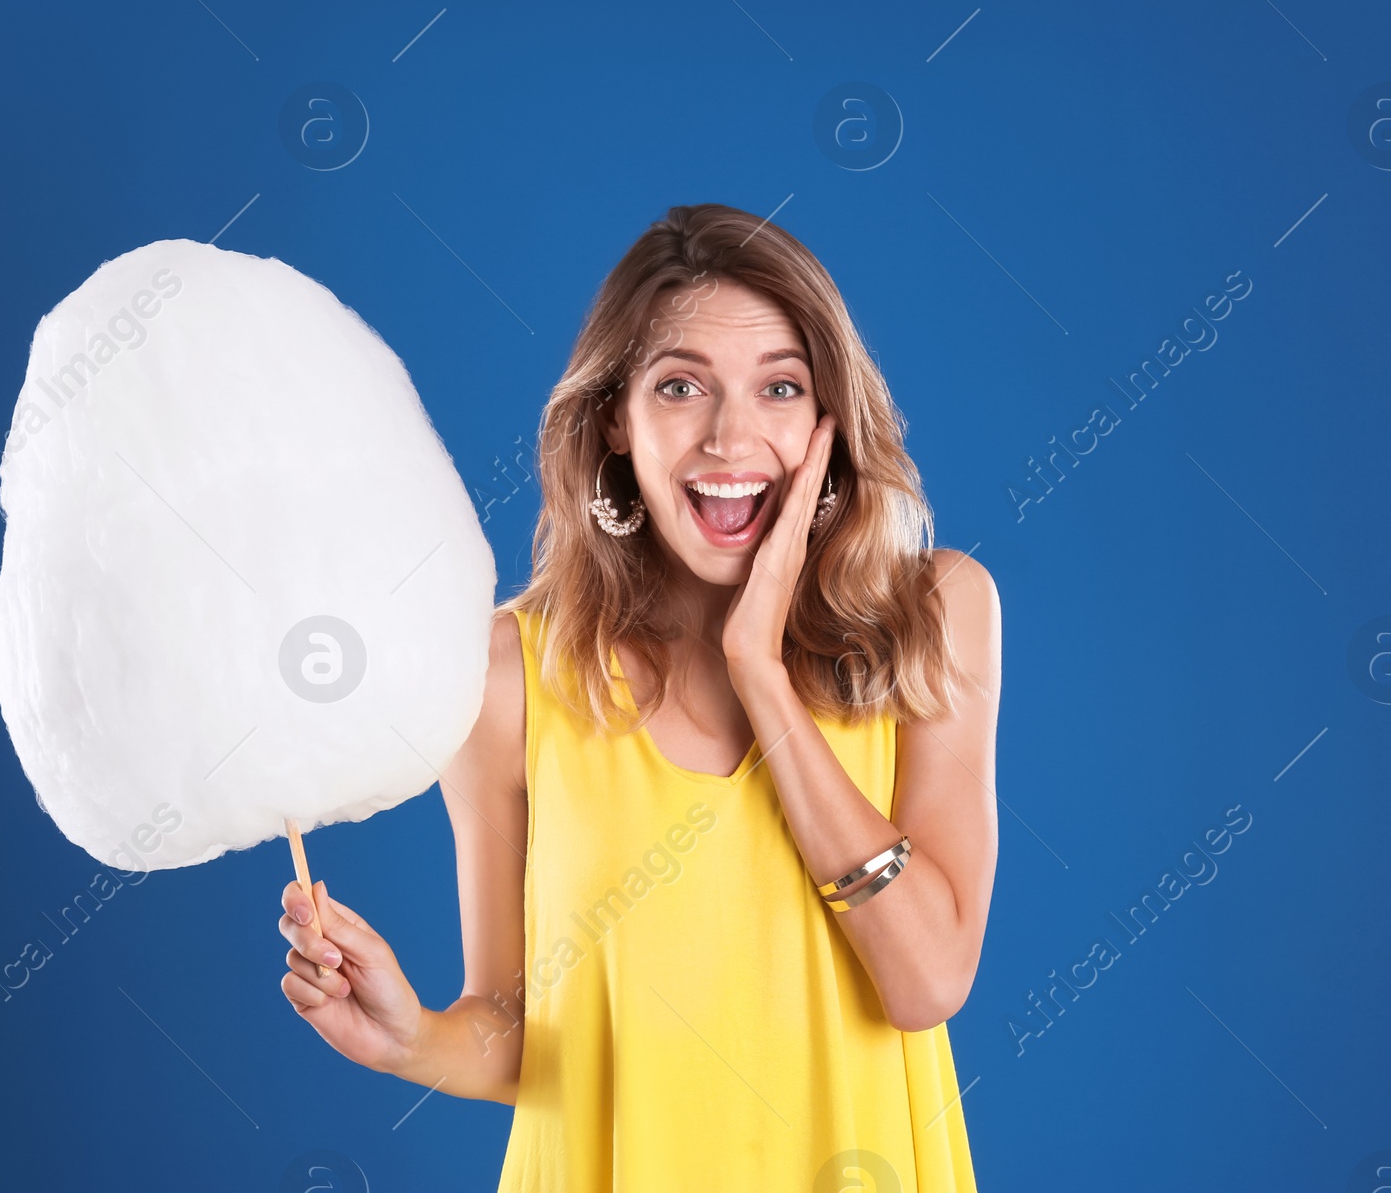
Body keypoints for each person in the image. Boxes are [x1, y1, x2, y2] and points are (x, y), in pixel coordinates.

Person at [278, 202, 1000, 1189]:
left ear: (829, 424)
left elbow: (927, 980)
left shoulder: (935, 615)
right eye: (679, 387)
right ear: (615, 416)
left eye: (779, 387)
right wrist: (410, 1039)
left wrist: (760, 670)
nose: (730, 436)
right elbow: (519, 1033)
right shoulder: (504, 675)